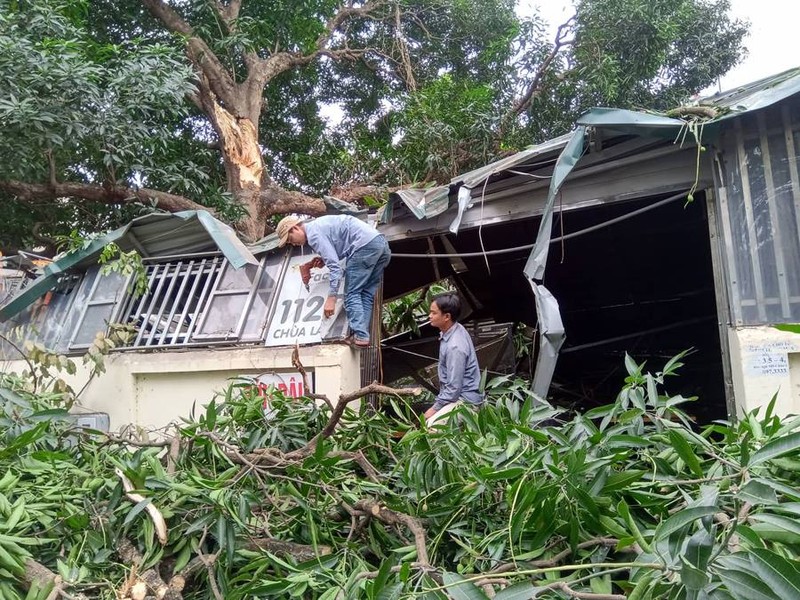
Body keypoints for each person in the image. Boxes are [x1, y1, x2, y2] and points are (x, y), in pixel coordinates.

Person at [276, 214, 391, 347]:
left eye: (290, 239)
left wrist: (331, 298)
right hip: (380, 245)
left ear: (295, 228)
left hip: (363, 248)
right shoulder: (318, 225)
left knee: (352, 294)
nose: (293, 244)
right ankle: (361, 337)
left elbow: (335, 268)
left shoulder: (314, 235)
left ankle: (360, 335)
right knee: (365, 294)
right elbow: (343, 245)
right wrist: (324, 260)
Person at [425, 292, 484, 424]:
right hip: (458, 397)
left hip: (466, 402)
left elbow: (454, 388)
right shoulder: (455, 329)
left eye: (434, 313)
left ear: (447, 316)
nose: (430, 316)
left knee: (432, 425)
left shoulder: (455, 346)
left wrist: (434, 409)